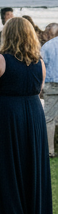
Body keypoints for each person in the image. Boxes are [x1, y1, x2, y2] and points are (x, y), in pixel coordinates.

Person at [0, 18, 52, 214]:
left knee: (8, 164)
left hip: (8, 115)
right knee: (32, 163)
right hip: (33, 114)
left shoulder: (0, 59)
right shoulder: (39, 61)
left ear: (7, 35)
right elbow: (38, 88)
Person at [43, 24, 58, 158]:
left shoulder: (47, 46)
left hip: (51, 84)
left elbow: (42, 65)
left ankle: (49, 150)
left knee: (49, 119)